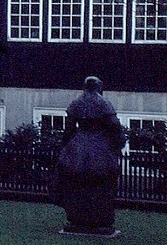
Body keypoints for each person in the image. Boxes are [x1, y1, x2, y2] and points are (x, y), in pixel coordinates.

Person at [50, 76, 126, 236]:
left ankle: (77, 218)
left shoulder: (76, 102)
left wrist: (65, 147)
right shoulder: (104, 103)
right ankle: (100, 220)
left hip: (78, 144)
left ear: (84, 87)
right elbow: (115, 126)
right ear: (99, 87)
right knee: (104, 183)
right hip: (100, 145)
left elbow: (69, 129)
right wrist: (118, 143)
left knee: (72, 181)